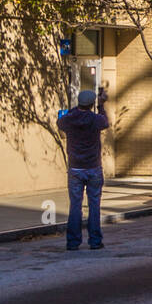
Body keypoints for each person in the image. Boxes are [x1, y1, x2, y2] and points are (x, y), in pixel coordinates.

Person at [59, 86, 110, 251]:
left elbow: (61, 121)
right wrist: (101, 105)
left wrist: (76, 109)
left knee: (75, 205)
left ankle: (73, 242)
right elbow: (105, 122)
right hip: (94, 167)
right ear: (92, 104)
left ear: (79, 103)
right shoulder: (95, 119)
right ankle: (95, 241)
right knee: (94, 205)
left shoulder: (69, 119)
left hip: (75, 168)